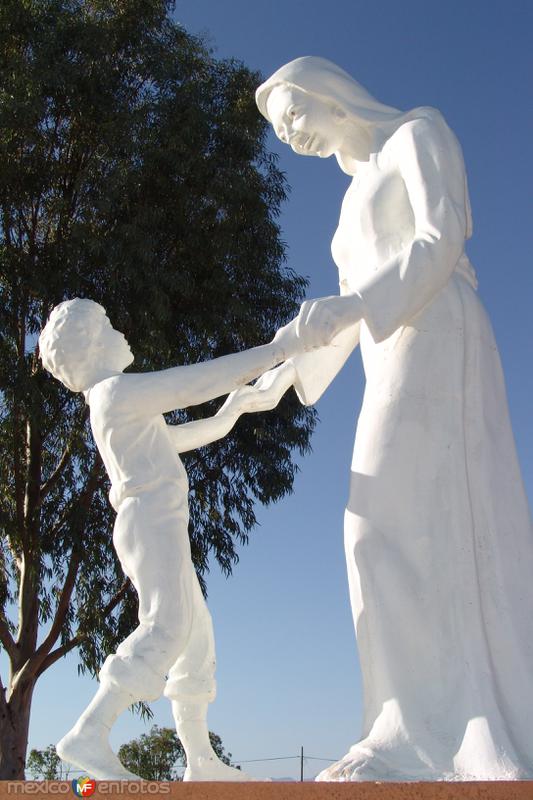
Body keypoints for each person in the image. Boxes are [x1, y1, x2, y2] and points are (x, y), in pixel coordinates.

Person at [255, 56, 533, 781]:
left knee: (384, 522)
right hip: (388, 352)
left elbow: (438, 240)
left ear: (328, 94)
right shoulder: (347, 208)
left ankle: (448, 725)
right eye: (281, 131)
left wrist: (351, 307)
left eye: (294, 115)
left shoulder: (417, 132)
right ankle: (401, 722)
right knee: (383, 529)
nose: (291, 136)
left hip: (438, 335)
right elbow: (345, 324)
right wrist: (279, 379)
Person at [39, 298, 301, 781]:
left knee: (196, 637)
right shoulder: (115, 392)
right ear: (92, 346)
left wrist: (241, 405)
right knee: (167, 627)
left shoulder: (119, 405)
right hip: (149, 522)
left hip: (160, 524)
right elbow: (195, 381)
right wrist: (279, 347)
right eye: (110, 327)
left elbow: (187, 434)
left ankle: (200, 759)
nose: (122, 333)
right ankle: (90, 731)